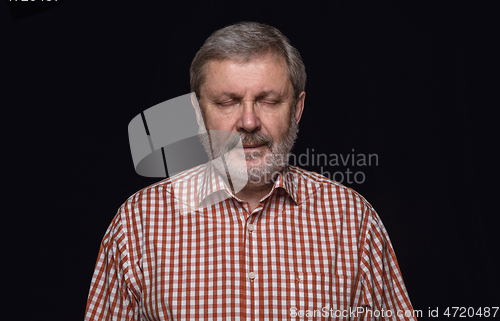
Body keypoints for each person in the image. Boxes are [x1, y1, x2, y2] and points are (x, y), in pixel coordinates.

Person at [85, 21, 417, 320]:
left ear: (296, 109)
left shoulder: (353, 221)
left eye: (268, 100)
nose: (248, 122)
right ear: (198, 113)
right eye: (228, 101)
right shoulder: (137, 225)